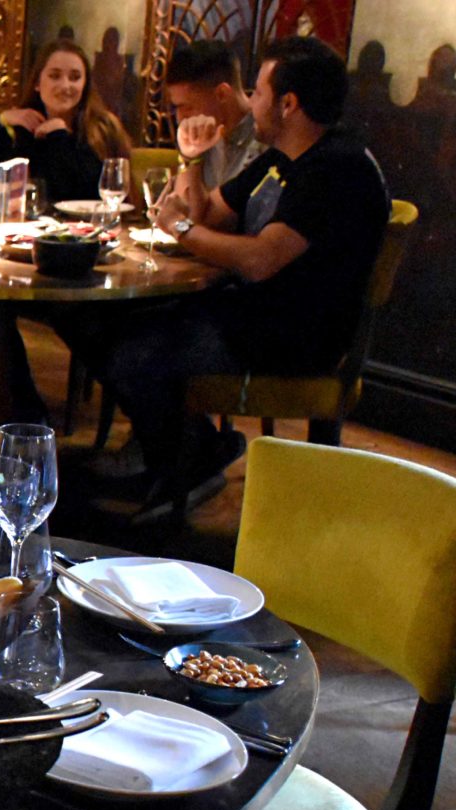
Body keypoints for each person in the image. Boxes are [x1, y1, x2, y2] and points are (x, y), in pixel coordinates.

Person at [85, 36, 389, 511]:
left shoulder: (337, 168)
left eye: (259, 91)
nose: (251, 100)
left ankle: (185, 465)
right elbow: (209, 215)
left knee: (132, 355)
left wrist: (180, 228)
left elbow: (259, 260)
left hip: (294, 337)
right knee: (105, 327)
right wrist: (191, 158)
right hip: (251, 314)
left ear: (288, 104)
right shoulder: (282, 155)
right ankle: (191, 455)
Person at [0, 38, 131, 203]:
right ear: (37, 83)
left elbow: (84, 194)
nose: (65, 86)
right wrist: (1, 124)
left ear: (85, 85)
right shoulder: (21, 127)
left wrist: (58, 136)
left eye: (75, 77)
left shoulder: (104, 128)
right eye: (55, 76)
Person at [164, 40, 267, 193]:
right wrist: (188, 157)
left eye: (187, 107)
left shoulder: (265, 136)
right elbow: (182, 201)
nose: (179, 118)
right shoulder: (200, 134)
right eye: (175, 108)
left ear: (222, 94)